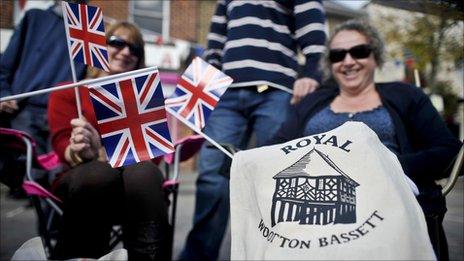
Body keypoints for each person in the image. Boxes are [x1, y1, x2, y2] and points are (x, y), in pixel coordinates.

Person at [270, 19, 462, 261]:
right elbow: (274, 151)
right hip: (316, 214)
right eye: (338, 55)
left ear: (376, 56)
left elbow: (449, 151)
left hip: (391, 210)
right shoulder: (312, 102)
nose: (348, 61)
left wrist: (388, 166)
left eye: (359, 51)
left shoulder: (405, 96)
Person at [180, 1, 327, 260]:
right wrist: (209, 80)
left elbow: (312, 23)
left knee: (277, 177)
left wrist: (312, 70)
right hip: (225, 92)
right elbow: (215, 39)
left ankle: (273, 254)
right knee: (212, 176)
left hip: (276, 89)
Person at [48, 21, 170, 260]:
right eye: (117, 43)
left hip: (134, 188)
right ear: (99, 47)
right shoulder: (68, 90)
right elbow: (62, 144)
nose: (126, 52)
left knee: (144, 173)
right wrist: (80, 150)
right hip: (84, 182)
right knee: (97, 173)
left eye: (135, 49)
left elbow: (153, 156)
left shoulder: (143, 99)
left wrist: (104, 152)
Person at [0, 0, 87, 154]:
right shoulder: (34, 18)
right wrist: (5, 94)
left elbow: (93, 76)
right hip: (26, 111)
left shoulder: (88, 31)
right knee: (27, 172)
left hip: (66, 117)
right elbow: (4, 67)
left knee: (59, 174)